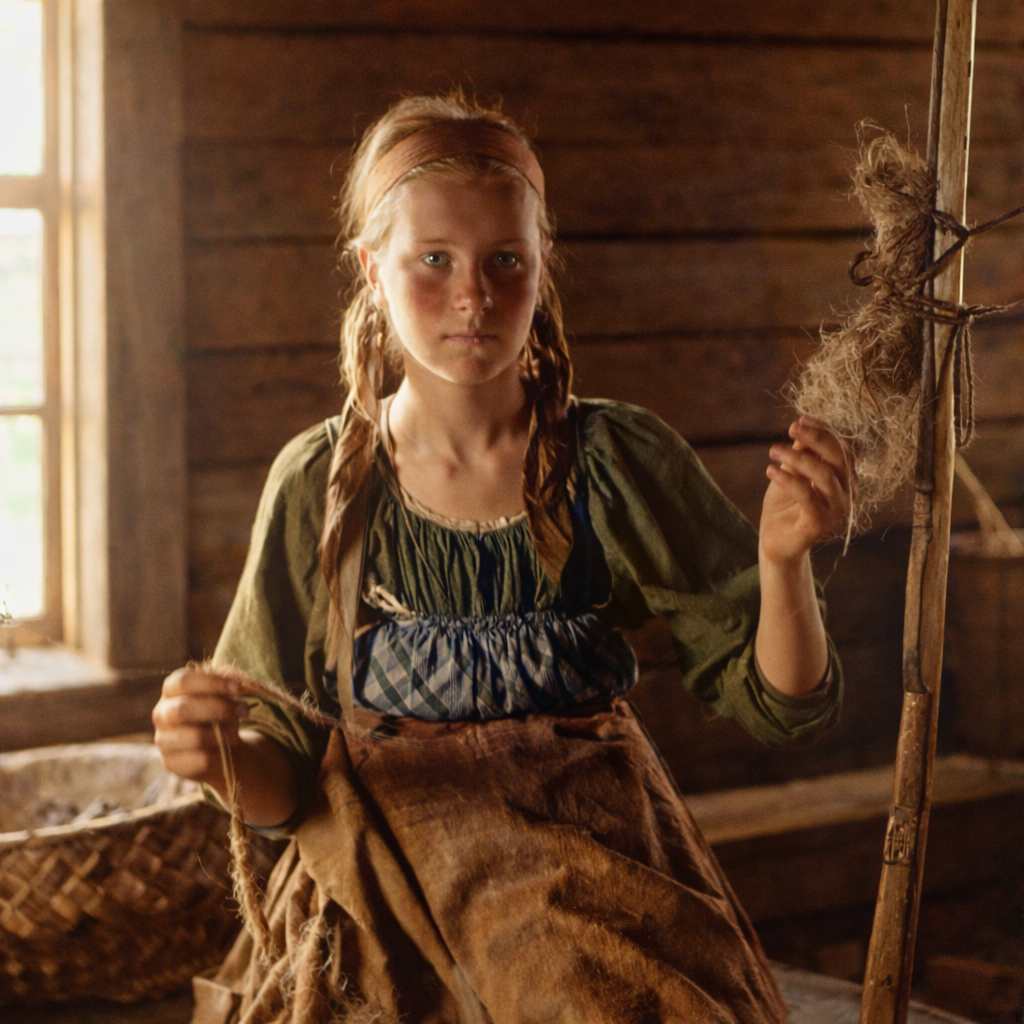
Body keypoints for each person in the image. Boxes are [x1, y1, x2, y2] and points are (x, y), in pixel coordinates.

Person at [153, 92, 851, 1024]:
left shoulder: (615, 465)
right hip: (377, 908)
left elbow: (782, 706)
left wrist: (783, 563)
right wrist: (215, 760)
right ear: (371, 268)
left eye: (504, 262)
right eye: (432, 262)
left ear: (541, 268)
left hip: (590, 900)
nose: (473, 296)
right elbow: (281, 792)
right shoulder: (321, 488)